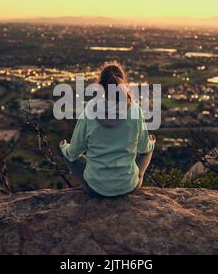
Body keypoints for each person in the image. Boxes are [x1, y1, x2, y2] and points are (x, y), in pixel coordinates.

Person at [59, 62, 156, 197]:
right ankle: (133, 177)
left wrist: (64, 147)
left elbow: (73, 153)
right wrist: (151, 143)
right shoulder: (135, 110)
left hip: (95, 189)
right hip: (127, 187)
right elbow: (143, 148)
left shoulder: (89, 112)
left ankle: (98, 180)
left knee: (68, 155)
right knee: (148, 150)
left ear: (100, 86)